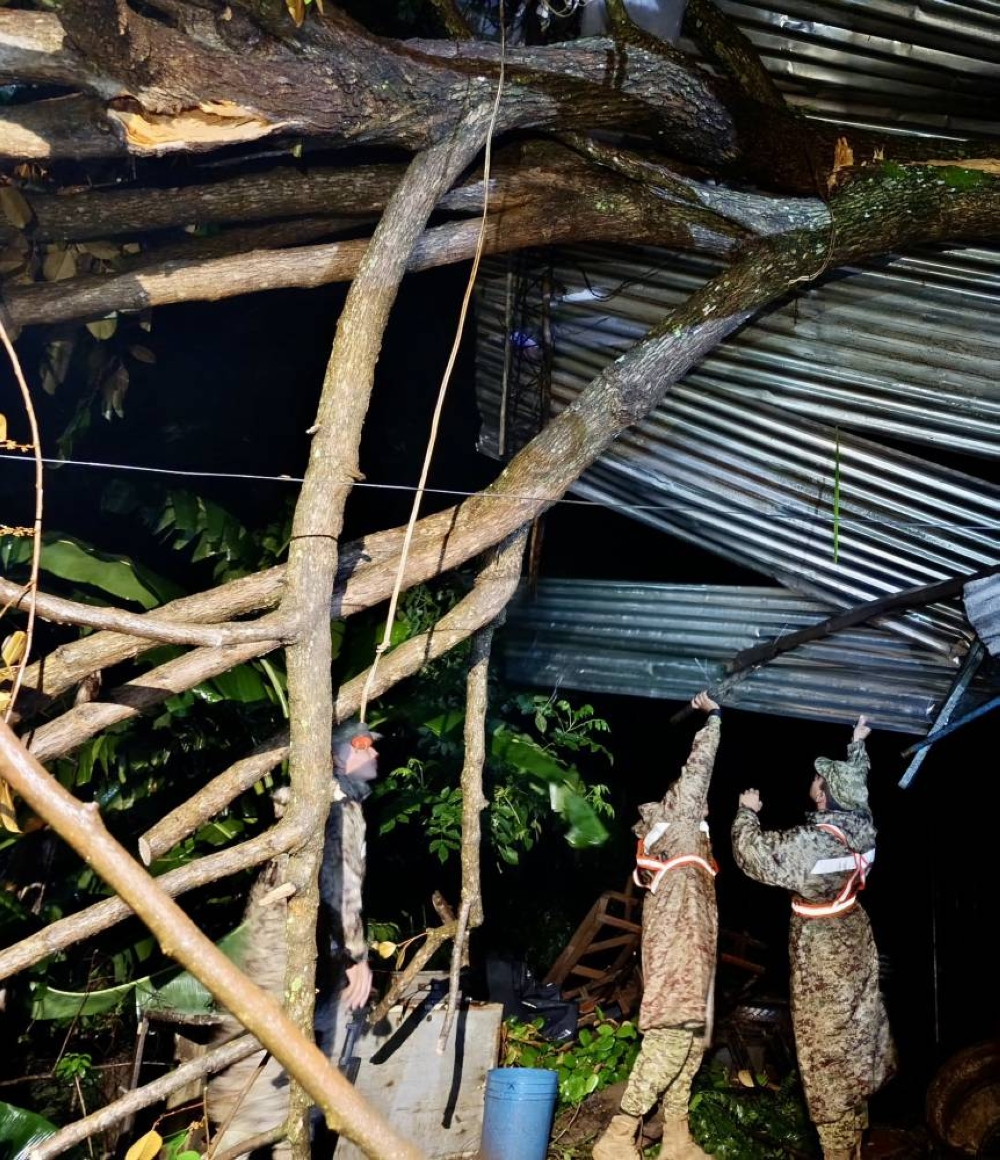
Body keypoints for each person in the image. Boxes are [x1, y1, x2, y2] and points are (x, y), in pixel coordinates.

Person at [207, 718, 380, 1158]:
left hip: (271, 946)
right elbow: (340, 887)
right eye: (362, 745)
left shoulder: (310, 802)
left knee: (261, 1059)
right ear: (334, 758)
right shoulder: (338, 808)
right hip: (290, 953)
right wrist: (358, 956)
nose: (373, 753)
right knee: (280, 1073)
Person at [731, 715, 896, 1160]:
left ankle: (839, 1147)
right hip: (856, 940)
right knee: (856, 1039)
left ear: (824, 796)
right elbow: (857, 785)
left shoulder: (813, 845)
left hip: (823, 953)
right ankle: (858, 1135)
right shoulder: (862, 827)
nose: (815, 778)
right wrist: (857, 745)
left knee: (826, 1056)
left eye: (820, 778)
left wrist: (747, 813)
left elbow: (753, 857)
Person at [593, 691, 722, 1160]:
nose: (705, 803)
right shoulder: (678, 824)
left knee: (689, 1046)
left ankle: (676, 1139)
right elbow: (699, 771)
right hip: (678, 951)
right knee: (670, 1040)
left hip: (694, 951)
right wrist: (713, 721)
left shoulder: (690, 839)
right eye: (697, 800)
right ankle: (617, 1136)